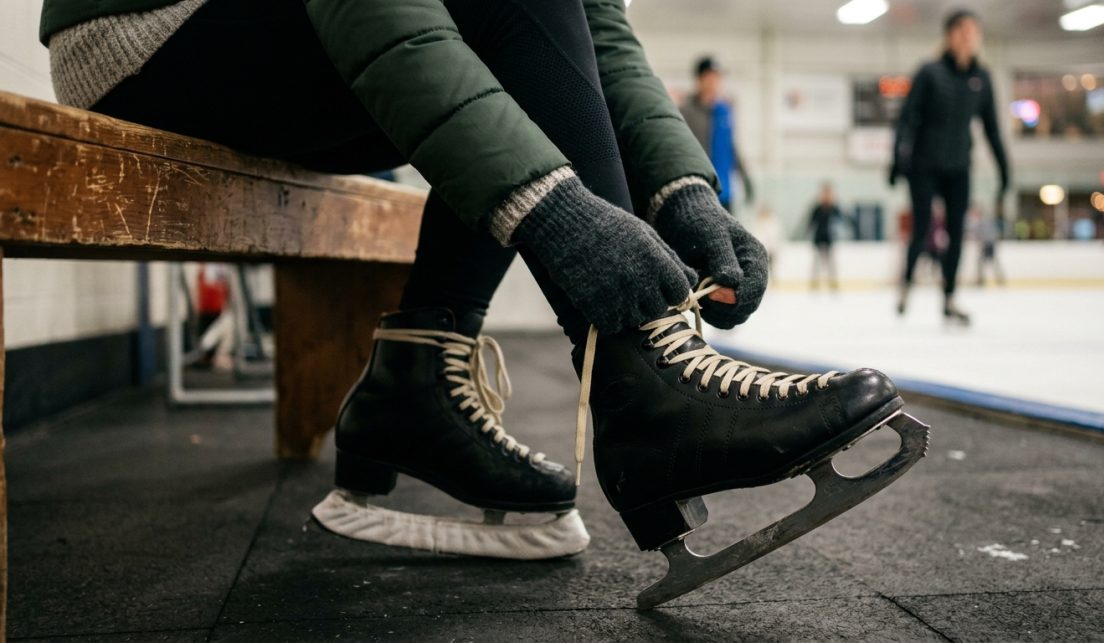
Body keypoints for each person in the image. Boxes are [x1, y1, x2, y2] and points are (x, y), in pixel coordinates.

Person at [40, 0, 923, 599]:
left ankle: (417, 384)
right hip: (149, 34)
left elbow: (589, 36)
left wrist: (683, 193)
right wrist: (556, 212)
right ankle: (645, 389)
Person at [889, 9, 1010, 325]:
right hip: (924, 165)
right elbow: (907, 119)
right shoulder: (929, 72)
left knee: (956, 233)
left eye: (974, 32)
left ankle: (950, 298)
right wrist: (897, 159)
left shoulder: (981, 79)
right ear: (950, 36)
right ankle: (906, 284)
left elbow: (992, 130)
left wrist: (1005, 171)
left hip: (959, 166)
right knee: (922, 226)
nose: (969, 37)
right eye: (963, 31)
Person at [679, 56, 755, 211]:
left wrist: (745, 177)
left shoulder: (725, 110)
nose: (714, 82)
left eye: (717, 77)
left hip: (725, 191)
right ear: (699, 79)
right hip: (699, 191)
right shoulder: (686, 111)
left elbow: (731, 146)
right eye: (710, 77)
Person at [808, 182, 843, 290]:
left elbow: (840, 222)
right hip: (818, 240)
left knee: (832, 265)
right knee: (816, 264)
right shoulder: (817, 209)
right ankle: (814, 283)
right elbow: (811, 224)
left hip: (829, 240)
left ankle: (833, 284)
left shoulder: (834, 209)